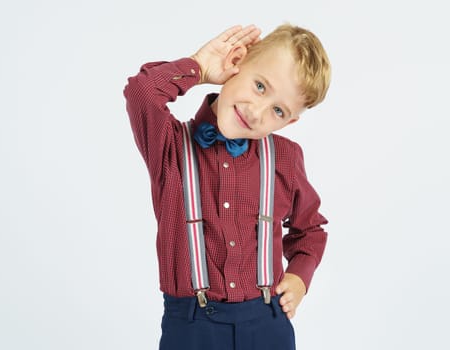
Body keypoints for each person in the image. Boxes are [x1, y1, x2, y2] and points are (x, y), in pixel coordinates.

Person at [124, 23, 331, 350]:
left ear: (288, 122)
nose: (257, 111)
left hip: (268, 324)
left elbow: (311, 229)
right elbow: (141, 92)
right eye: (260, 86)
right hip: (191, 326)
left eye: (278, 110)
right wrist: (199, 67)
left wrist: (299, 276)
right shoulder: (170, 147)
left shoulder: (286, 159)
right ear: (239, 61)